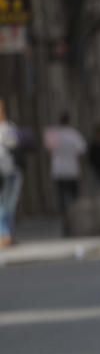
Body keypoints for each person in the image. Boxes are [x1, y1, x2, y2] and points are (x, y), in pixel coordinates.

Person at [44, 112, 87, 225]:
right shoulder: (74, 134)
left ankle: (66, 219)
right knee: (74, 196)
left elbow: (49, 149)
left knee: (61, 197)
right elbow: (82, 150)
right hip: (72, 170)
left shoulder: (54, 134)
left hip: (58, 170)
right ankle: (76, 219)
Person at [0, 100, 22, 248]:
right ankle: (5, 234)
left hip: (7, 171)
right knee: (7, 205)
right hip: (8, 171)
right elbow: (15, 144)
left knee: (6, 204)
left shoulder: (8, 128)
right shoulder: (8, 128)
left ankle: (6, 234)